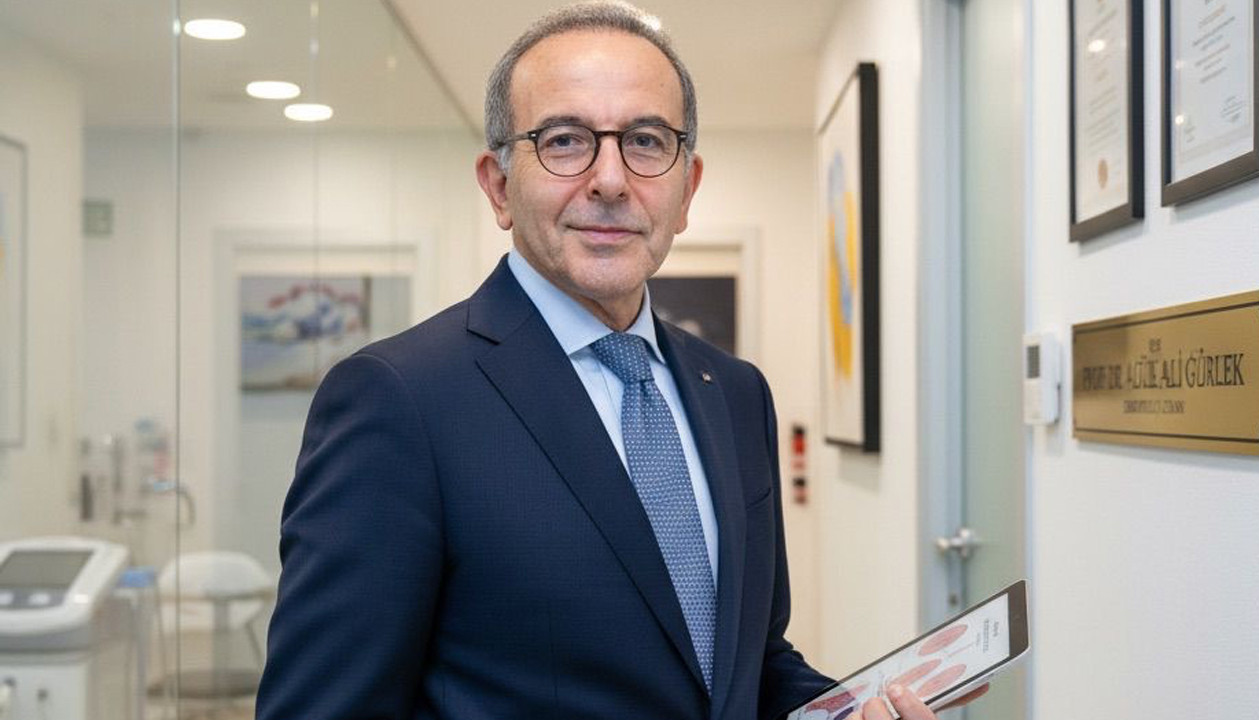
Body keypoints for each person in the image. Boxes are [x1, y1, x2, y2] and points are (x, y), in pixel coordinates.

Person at [255, 3, 985, 719]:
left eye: (645, 140)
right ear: (499, 186)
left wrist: (854, 712)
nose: (610, 180)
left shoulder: (735, 393)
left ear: (687, 189)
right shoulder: (401, 400)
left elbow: (748, 665)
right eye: (565, 140)